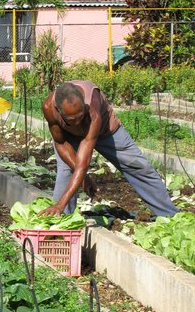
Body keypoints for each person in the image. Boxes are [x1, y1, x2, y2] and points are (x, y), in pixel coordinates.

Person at [39, 80, 179, 217]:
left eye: (80, 116)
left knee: (139, 167)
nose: (77, 123)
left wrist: (82, 174)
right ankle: (60, 218)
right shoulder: (49, 108)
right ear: (58, 110)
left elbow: (83, 163)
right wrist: (82, 179)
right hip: (70, 138)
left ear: (84, 105)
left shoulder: (92, 108)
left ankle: (169, 216)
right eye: (70, 119)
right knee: (66, 171)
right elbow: (61, 143)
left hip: (106, 131)